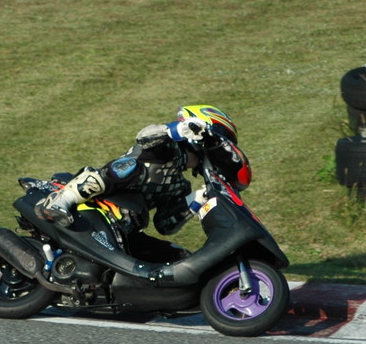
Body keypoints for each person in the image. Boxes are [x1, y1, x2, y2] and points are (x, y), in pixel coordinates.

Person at [34, 105, 251, 255]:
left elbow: (164, 225)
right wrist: (178, 129)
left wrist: (197, 199)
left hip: (125, 229)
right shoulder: (166, 147)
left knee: (178, 255)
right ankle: (60, 201)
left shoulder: (181, 186)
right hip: (99, 205)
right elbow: (144, 136)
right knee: (128, 167)